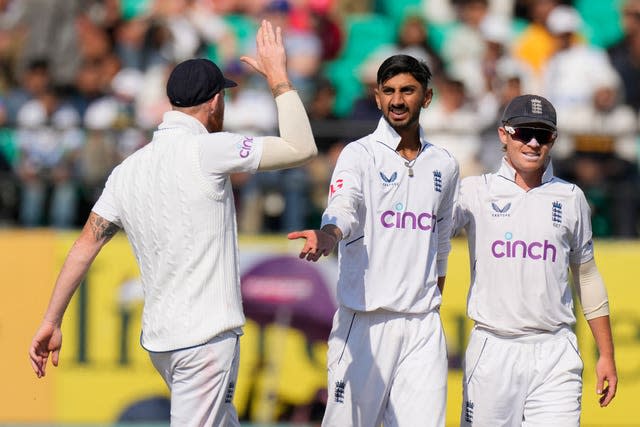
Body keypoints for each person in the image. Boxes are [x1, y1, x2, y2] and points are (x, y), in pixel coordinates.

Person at [28, 20, 317, 427]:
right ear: (216, 102)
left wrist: (51, 320)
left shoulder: (127, 170)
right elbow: (302, 148)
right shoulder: (210, 149)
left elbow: (84, 247)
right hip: (205, 339)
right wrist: (279, 79)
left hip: (163, 341)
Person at [288, 54, 459, 427]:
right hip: (364, 322)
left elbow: (441, 246)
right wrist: (328, 234)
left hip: (422, 327)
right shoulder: (359, 154)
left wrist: (427, 304)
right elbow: (343, 209)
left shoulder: (444, 164)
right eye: (389, 91)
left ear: (426, 98)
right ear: (378, 97)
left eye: (408, 91)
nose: (398, 100)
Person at [453, 94, 618, 426]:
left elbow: (586, 276)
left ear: (553, 140)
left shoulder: (571, 197)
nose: (531, 142)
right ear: (504, 135)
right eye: (523, 132)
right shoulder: (474, 192)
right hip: (494, 347)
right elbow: (427, 232)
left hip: (555, 350)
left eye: (541, 135)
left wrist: (607, 355)